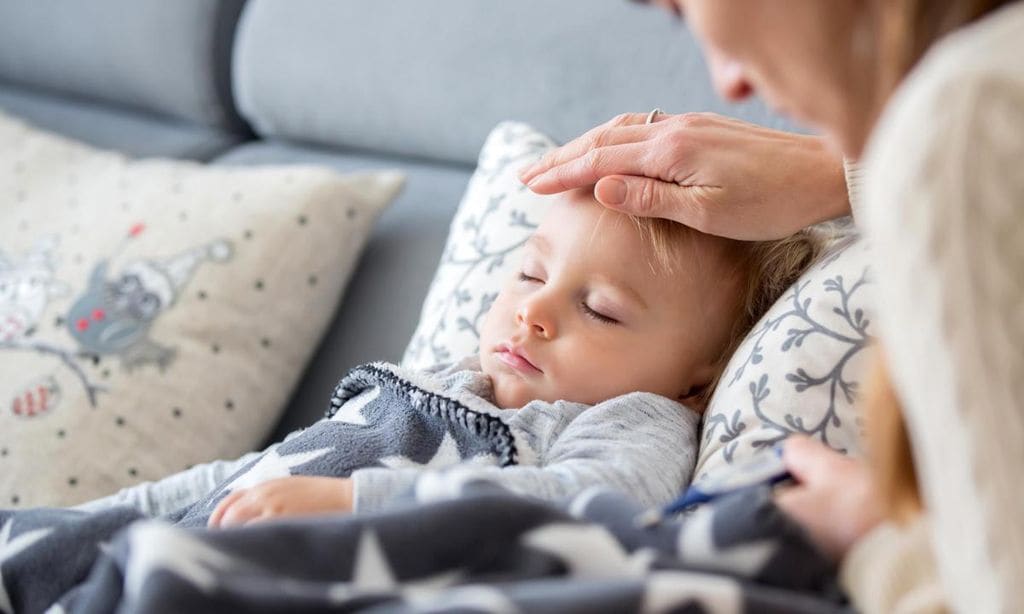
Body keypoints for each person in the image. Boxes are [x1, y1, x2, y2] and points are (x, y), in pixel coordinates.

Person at [521, 0, 1024, 612]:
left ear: (697, 385)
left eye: (683, 8)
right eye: (526, 274)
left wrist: (873, 539)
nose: (727, 82)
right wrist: (839, 173)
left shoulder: (971, 121)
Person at [75, 186, 821, 529]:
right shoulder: (434, 382)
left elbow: (596, 504)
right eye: (531, 274)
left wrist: (357, 505)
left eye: (599, 309)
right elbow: (250, 474)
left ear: (697, 384)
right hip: (186, 537)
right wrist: (99, 518)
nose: (533, 309)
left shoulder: (632, 423)